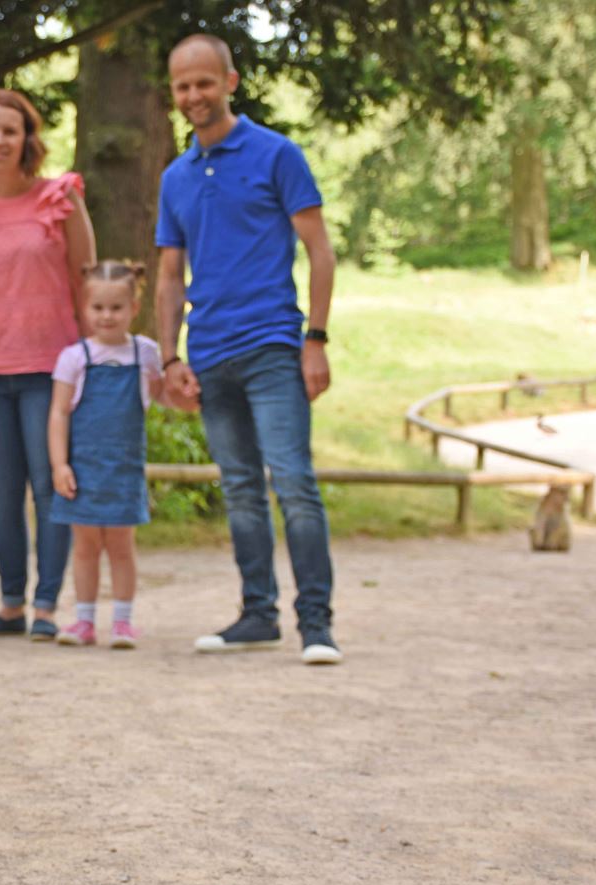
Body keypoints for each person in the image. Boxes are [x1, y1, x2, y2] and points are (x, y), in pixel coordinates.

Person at [155, 34, 343, 666]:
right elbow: (169, 276)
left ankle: (316, 625)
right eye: (183, 86)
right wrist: (170, 358)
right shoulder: (175, 177)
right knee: (239, 490)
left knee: (293, 483)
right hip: (208, 355)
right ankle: (258, 615)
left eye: (204, 82)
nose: (194, 95)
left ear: (230, 82)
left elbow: (320, 251)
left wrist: (315, 340)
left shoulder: (277, 154)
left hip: (272, 346)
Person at [0, 89, 96, 643]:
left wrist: (93, 364)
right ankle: (11, 605)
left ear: (27, 138)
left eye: (10, 130)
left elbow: (86, 280)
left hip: (53, 371)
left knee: (53, 488)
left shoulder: (60, 197)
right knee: (3, 495)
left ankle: (47, 606)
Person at [47, 261, 166, 649]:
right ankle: (83, 621)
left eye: (116, 307)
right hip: (82, 469)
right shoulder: (74, 357)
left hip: (124, 468)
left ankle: (122, 622)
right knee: (85, 546)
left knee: (121, 546)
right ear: (84, 308)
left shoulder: (145, 354)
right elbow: (59, 413)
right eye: (98, 307)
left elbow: (162, 395)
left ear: (134, 308)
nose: (107, 316)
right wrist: (59, 464)